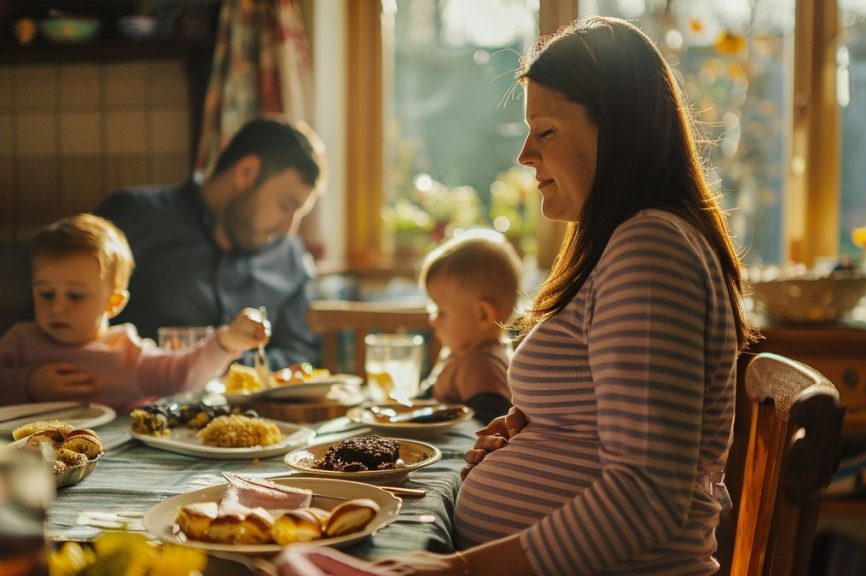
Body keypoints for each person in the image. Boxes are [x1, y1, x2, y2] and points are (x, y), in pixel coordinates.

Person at [349, 16, 756, 575]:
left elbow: (645, 495)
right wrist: (535, 424)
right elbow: (611, 424)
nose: (524, 155)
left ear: (613, 130)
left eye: (545, 131)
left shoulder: (650, 250)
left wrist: (461, 569)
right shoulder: (625, 244)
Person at [95, 116, 326, 370]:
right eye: (285, 206)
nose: (287, 229)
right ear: (246, 172)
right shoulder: (135, 218)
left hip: (249, 407)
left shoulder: (288, 256)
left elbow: (300, 354)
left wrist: (228, 363)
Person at [0, 214, 270, 412]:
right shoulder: (20, 342)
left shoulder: (129, 353)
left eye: (75, 296)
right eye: (46, 294)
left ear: (114, 303)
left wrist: (226, 342)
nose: (57, 307)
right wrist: (28, 384)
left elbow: (182, 374)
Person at [417, 230, 521, 425]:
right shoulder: (462, 353)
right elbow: (430, 395)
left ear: (482, 315)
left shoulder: (483, 363)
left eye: (440, 310)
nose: (433, 320)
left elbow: (489, 423)